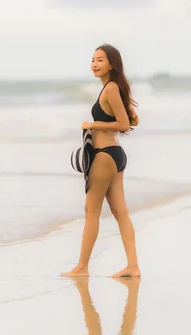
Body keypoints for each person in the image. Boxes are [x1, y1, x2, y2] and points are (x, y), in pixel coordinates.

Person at [62, 44, 141, 278]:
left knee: (92, 211)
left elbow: (125, 125)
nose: (95, 64)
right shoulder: (112, 89)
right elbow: (133, 119)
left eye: (100, 60)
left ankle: (82, 268)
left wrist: (92, 124)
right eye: (93, 60)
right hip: (114, 154)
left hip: (105, 154)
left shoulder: (111, 89)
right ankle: (133, 266)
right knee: (121, 212)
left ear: (111, 64)